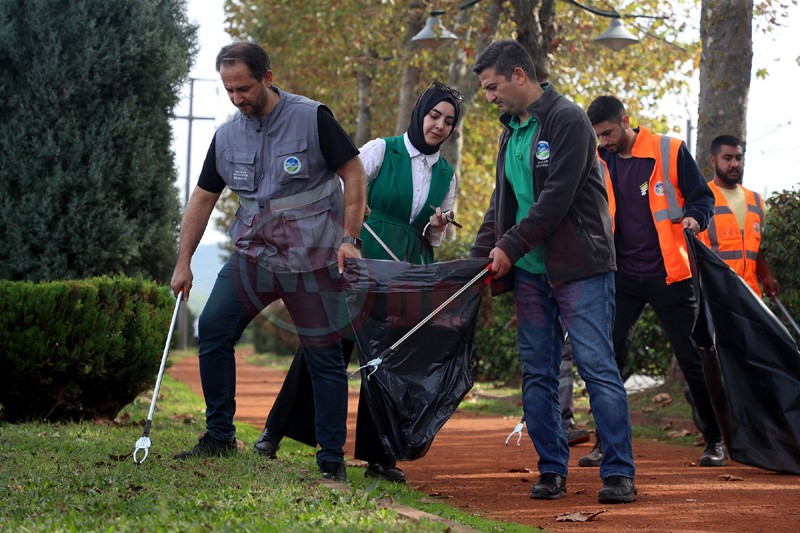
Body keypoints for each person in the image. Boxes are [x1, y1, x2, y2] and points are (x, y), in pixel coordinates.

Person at [169, 42, 367, 484]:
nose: (238, 98)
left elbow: (353, 172)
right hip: (254, 257)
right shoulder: (226, 136)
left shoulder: (312, 118)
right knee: (214, 330)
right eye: (229, 90)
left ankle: (331, 458)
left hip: (314, 260)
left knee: (324, 356)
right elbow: (203, 198)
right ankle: (219, 435)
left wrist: (349, 239)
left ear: (268, 78)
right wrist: (183, 262)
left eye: (245, 88)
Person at [254, 82, 462, 483]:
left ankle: (379, 458)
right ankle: (275, 431)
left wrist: (437, 225)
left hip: (405, 275)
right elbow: (343, 187)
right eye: (434, 116)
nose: (439, 126)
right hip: (361, 264)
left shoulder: (447, 174)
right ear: (420, 114)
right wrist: (355, 206)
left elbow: (432, 237)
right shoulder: (382, 149)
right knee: (327, 348)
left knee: (386, 363)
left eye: (449, 122)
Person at [470, 39, 637, 504]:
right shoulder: (511, 131)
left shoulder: (568, 120)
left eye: (493, 86)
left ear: (519, 75)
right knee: (538, 374)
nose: (489, 96)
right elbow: (500, 203)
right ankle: (551, 471)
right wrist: (478, 254)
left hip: (580, 267)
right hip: (529, 271)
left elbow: (555, 200)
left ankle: (619, 472)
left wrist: (508, 245)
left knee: (596, 367)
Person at [585, 95, 726, 468]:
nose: (605, 141)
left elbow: (702, 197)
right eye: (599, 136)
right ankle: (604, 442)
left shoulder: (670, 150)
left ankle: (715, 439)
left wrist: (696, 219)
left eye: (609, 133)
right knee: (608, 358)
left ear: (626, 120)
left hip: (671, 274)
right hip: (622, 277)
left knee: (692, 358)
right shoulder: (599, 161)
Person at [697, 135, 780, 298]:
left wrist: (767, 275)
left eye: (739, 158)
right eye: (727, 158)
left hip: (751, 296)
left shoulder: (756, 201)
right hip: (717, 296)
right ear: (713, 160)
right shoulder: (702, 199)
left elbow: (752, 248)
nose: (734, 164)